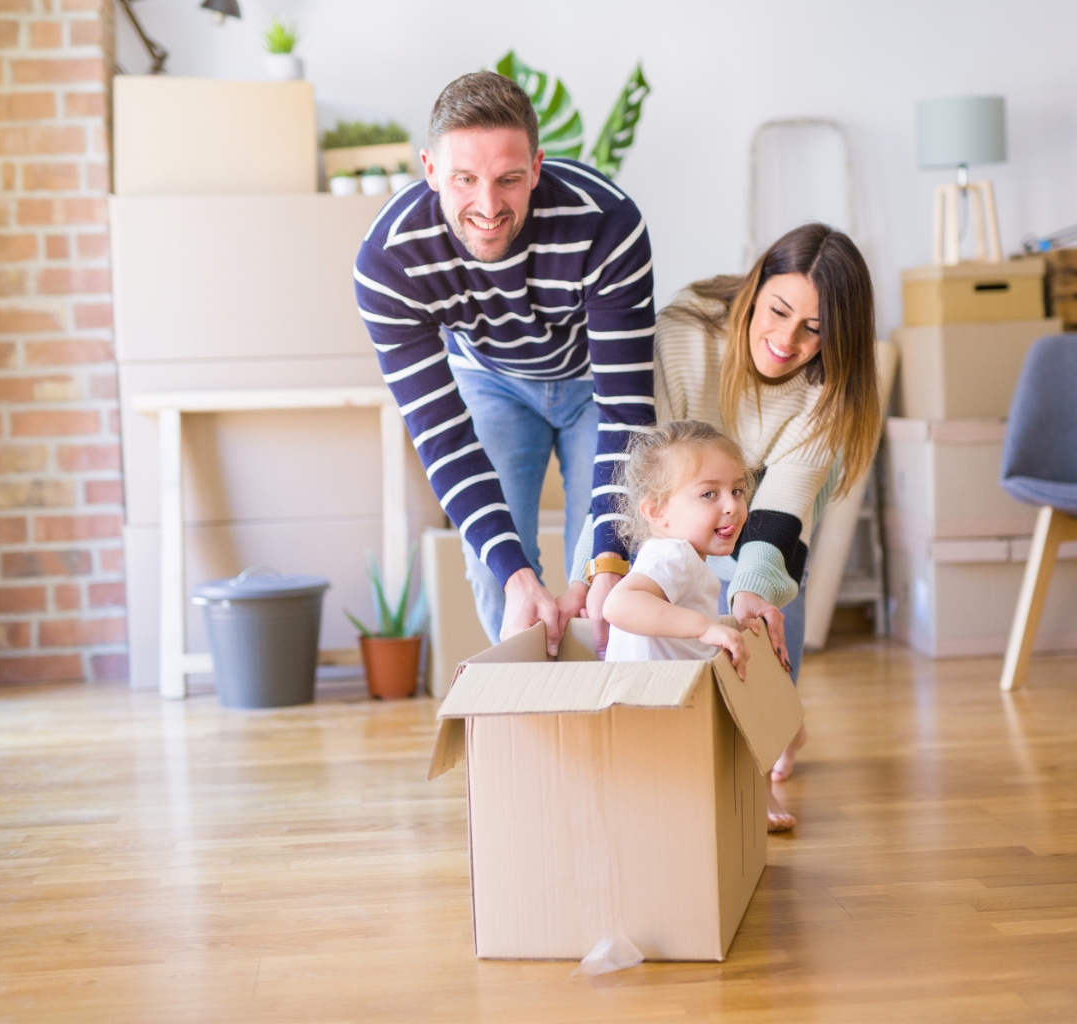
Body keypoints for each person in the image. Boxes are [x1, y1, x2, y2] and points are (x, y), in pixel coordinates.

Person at [354, 71, 655, 657]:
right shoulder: (389, 261)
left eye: (509, 180)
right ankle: (535, 735)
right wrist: (517, 577)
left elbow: (627, 410)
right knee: (497, 573)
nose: (488, 207)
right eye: (464, 179)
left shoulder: (607, 224)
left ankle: (602, 730)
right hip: (488, 379)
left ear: (537, 168)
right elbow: (441, 436)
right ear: (430, 168)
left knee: (600, 577)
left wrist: (610, 559)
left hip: (593, 384)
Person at [571, 222, 882, 787]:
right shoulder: (687, 331)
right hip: (679, 510)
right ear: (755, 287)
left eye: (815, 330)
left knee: (761, 641)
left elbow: (783, 502)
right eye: (778, 311)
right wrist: (597, 567)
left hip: (758, 517)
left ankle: (784, 726)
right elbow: (639, 474)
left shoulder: (829, 387)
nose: (788, 341)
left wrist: (752, 592)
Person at [601, 420, 799, 831]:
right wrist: (706, 629)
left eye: (738, 490)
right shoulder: (672, 556)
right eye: (709, 494)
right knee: (754, 701)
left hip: (670, 700)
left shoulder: (684, 558)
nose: (731, 505)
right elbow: (619, 604)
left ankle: (763, 774)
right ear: (657, 511)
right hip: (660, 708)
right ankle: (760, 788)